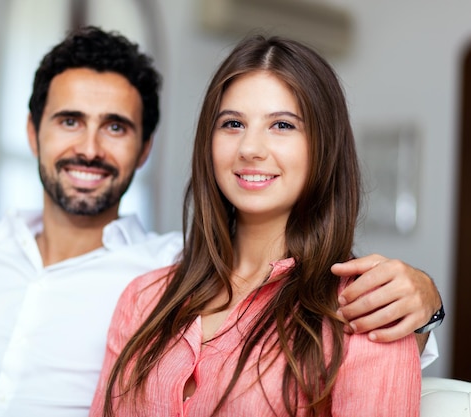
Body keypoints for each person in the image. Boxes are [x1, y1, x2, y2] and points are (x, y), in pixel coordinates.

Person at [0, 26, 439, 416]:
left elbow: (365, 333)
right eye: (69, 120)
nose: (90, 147)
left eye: (116, 127)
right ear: (32, 133)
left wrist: (425, 303)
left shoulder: (156, 267)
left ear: (145, 148)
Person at [90, 34, 422, 417]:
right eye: (232, 123)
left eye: (282, 125)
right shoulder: (143, 300)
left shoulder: (365, 310)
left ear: (324, 146)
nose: (250, 148)